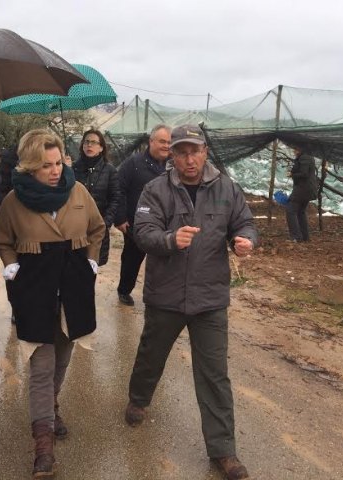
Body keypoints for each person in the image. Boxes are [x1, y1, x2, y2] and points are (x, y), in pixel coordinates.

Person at [124, 125, 258, 480]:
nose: (188, 159)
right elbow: (143, 232)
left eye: (194, 151)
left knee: (214, 373)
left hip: (209, 297)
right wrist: (170, 239)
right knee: (151, 354)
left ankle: (223, 450)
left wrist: (244, 240)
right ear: (172, 155)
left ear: (205, 152)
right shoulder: (155, 190)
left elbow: (245, 223)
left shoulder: (227, 189)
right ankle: (139, 398)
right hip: (166, 295)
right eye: (181, 152)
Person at [0, 129, 104, 478]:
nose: (56, 171)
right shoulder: (13, 200)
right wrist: (11, 265)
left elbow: (98, 228)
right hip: (35, 290)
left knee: (63, 357)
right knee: (41, 366)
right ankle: (43, 446)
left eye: (58, 163)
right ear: (29, 166)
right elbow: (2, 239)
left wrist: (91, 259)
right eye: (46, 165)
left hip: (73, 289)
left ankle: (52, 406)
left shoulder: (78, 191)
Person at [114, 124, 171, 305]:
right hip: (136, 224)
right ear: (151, 141)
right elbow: (118, 189)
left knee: (163, 261)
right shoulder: (134, 163)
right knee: (132, 259)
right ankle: (124, 290)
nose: (166, 146)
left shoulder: (173, 165)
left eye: (169, 142)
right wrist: (120, 218)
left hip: (165, 224)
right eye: (162, 141)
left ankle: (160, 295)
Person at [72, 129, 120, 266]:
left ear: (101, 147)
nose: (89, 145)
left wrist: (105, 223)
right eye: (86, 142)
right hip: (75, 228)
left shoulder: (110, 171)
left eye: (94, 142)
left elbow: (115, 198)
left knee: (92, 265)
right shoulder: (73, 169)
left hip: (98, 228)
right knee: (74, 266)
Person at [286, 146, 318, 242]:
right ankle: (305, 237)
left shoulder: (305, 157)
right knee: (300, 211)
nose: (293, 151)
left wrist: (292, 174)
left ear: (299, 149)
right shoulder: (306, 156)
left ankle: (296, 237)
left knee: (291, 210)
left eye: (295, 149)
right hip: (306, 189)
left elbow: (304, 174)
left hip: (303, 189)